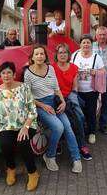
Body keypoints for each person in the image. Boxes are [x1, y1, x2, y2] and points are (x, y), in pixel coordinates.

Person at [24, 45, 82, 173]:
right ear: (32, 57)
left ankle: (76, 158)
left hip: (54, 101)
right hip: (40, 105)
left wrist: (63, 102)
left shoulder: (50, 68)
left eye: (42, 54)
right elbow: (27, 98)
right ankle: (50, 155)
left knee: (68, 127)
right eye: (37, 54)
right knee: (58, 127)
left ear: (45, 56)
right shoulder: (28, 73)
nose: (40, 56)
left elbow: (56, 88)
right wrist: (43, 105)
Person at [0, 62, 40, 191]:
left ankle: (33, 172)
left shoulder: (24, 88)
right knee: (5, 144)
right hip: (7, 125)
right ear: (0, 75)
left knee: (23, 142)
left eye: (9, 72)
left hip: (27, 124)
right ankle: (11, 169)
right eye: (3, 73)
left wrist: (26, 127)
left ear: (14, 74)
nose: (6, 75)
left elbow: (32, 110)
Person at [52, 43, 92, 160]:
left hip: (70, 95)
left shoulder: (74, 67)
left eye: (65, 52)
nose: (63, 55)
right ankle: (57, 143)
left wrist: (72, 97)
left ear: (68, 54)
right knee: (57, 118)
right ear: (57, 55)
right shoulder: (52, 68)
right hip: (56, 97)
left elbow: (75, 87)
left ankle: (82, 145)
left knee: (79, 118)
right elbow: (52, 87)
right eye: (60, 52)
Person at [71, 34, 105, 144]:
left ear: (91, 44)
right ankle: (79, 132)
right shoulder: (74, 55)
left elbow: (104, 72)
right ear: (80, 44)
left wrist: (96, 72)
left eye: (88, 42)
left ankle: (92, 133)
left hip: (91, 90)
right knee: (78, 112)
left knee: (91, 112)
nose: (86, 44)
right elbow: (69, 69)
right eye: (84, 42)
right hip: (77, 90)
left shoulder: (96, 57)